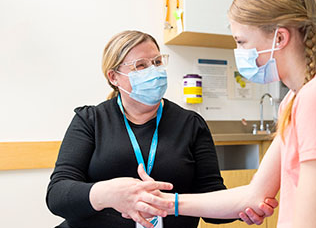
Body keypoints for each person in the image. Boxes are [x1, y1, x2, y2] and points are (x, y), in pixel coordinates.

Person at [140, 0, 316, 228]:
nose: (239, 53)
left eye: (242, 42)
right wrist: (167, 203)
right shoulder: (297, 99)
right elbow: (253, 195)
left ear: (279, 37)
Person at [46, 30, 276, 228]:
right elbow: (57, 195)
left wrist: (242, 207)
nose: (153, 70)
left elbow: (211, 197)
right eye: (141, 65)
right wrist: (109, 194)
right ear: (114, 77)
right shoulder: (91, 120)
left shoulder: (190, 124)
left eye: (157, 62)